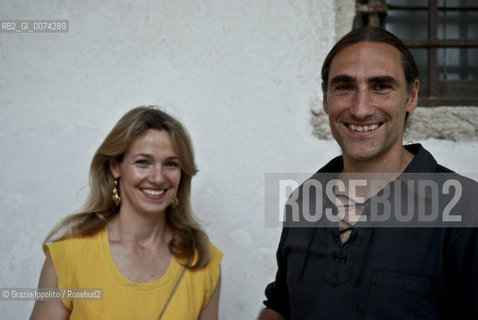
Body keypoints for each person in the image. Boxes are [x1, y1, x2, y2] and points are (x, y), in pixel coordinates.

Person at [259, 27, 478, 319]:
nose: (360, 109)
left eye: (381, 86)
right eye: (344, 87)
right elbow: (281, 307)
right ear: (325, 100)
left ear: (411, 96)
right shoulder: (303, 202)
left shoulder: (465, 209)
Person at [31, 106, 222, 319]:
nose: (158, 178)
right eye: (143, 162)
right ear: (115, 167)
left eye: (171, 164)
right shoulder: (68, 256)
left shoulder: (202, 260)